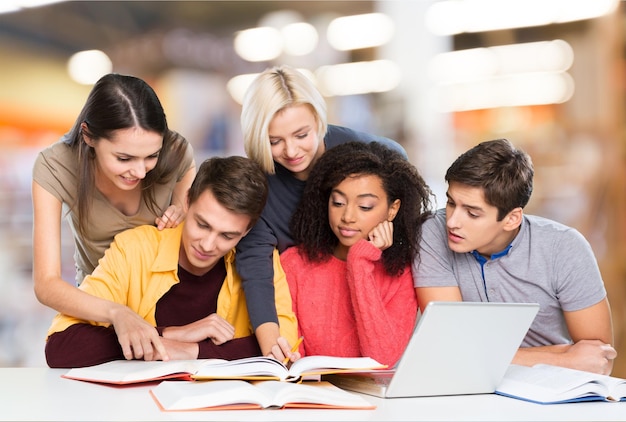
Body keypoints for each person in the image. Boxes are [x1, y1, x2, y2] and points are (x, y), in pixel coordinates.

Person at [45, 156, 299, 368]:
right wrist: (169, 334)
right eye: (202, 224)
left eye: (227, 235)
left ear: (246, 231)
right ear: (187, 201)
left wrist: (189, 351)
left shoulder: (260, 261)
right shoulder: (134, 249)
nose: (208, 245)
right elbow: (61, 347)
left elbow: (281, 348)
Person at [236, 64, 409, 356]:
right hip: (305, 315)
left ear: (318, 119)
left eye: (301, 135)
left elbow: (400, 177)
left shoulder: (364, 152)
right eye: (274, 141)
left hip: (373, 299)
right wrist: (271, 342)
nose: (291, 151)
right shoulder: (260, 187)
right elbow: (255, 268)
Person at [413, 138, 617, 375]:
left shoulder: (565, 248)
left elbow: (600, 359)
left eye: (472, 213)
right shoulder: (431, 232)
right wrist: (564, 358)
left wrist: (479, 357)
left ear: (511, 219)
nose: (452, 221)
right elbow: (450, 347)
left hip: (552, 389)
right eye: (450, 203)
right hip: (468, 386)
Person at [32, 73, 196, 362]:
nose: (141, 172)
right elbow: (46, 283)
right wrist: (117, 313)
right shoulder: (55, 166)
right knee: (67, 352)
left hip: (168, 301)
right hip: (101, 307)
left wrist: (184, 208)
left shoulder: (177, 153)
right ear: (88, 136)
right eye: (124, 158)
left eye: (151, 156)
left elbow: (193, 221)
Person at [280, 142, 434, 367]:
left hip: (374, 400)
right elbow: (293, 360)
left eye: (365, 206)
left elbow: (382, 359)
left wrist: (359, 262)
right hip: (309, 395)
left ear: (393, 209)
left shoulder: (402, 273)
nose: (348, 216)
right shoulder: (294, 264)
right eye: (338, 202)